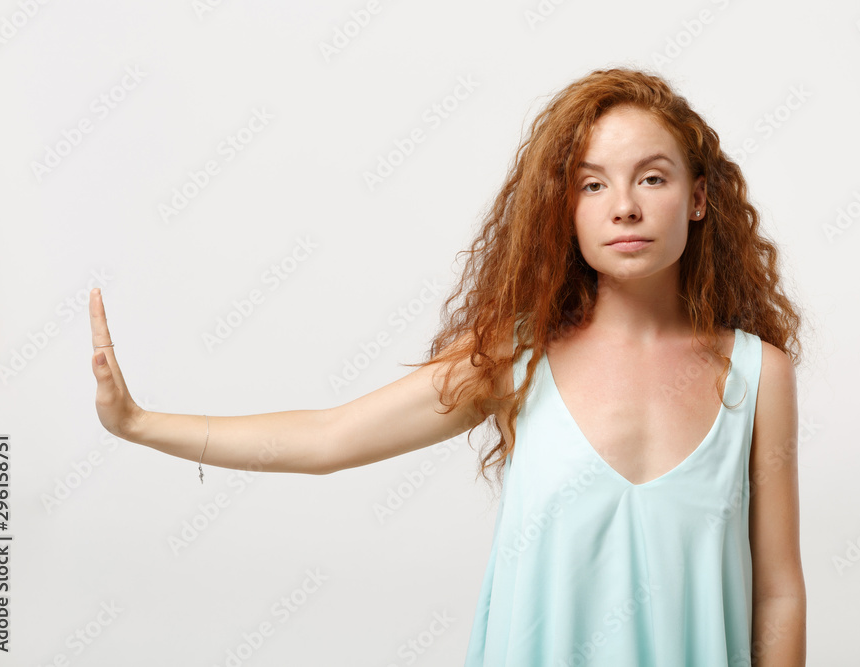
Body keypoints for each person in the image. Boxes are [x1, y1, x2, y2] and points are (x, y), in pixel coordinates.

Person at [91, 67, 806, 665]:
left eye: (652, 178)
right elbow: (327, 436)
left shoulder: (757, 375)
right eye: (592, 185)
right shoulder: (514, 362)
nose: (623, 206)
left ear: (701, 197)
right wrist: (140, 422)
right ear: (566, 209)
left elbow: (777, 589)